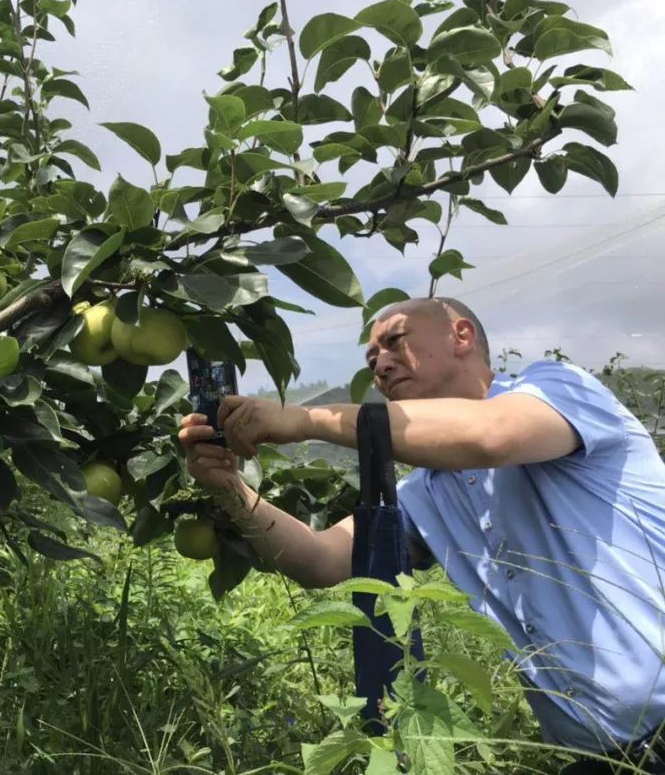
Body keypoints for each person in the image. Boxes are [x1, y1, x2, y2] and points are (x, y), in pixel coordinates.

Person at [178, 297, 665, 774]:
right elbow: (320, 561)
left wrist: (308, 420)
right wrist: (230, 488)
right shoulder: (426, 493)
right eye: (372, 360)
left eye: (394, 342)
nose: (381, 366)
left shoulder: (561, 388)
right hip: (597, 757)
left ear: (461, 336)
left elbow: (490, 436)